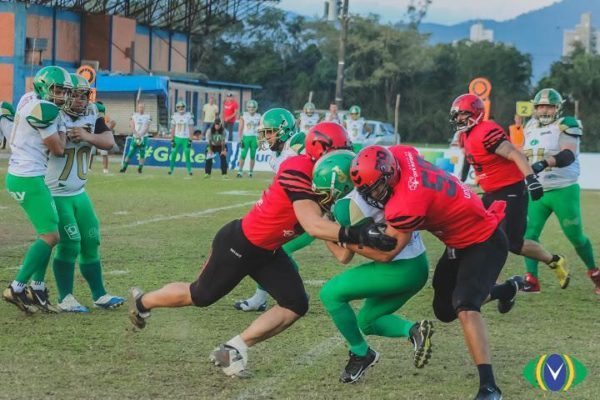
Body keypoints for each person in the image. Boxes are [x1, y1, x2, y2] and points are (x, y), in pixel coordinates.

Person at [127, 124, 397, 378]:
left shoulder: (329, 177)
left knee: (295, 304)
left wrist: (360, 231)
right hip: (239, 244)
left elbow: (341, 255)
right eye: (339, 149)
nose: (345, 156)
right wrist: (356, 233)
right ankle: (143, 302)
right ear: (321, 151)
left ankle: (231, 351)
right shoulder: (297, 169)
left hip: (268, 250)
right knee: (200, 295)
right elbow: (313, 225)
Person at [351, 144, 524, 400]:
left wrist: (345, 237)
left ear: (389, 175)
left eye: (376, 188)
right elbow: (404, 154)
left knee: (464, 305)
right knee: (444, 311)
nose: (373, 197)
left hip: (484, 240)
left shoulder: (407, 201)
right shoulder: (401, 155)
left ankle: (489, 387)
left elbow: (387, 254)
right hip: (458, 240)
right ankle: (506, 289)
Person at [316, 151, 434, 383]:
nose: (323, 196)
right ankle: (414, 331)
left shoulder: (347, 205)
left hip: (399, 268)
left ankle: (360, 353)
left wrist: (322, 229)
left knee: (329, 294)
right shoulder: (372, 189)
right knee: (368, 321)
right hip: (419, 265)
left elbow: (343, 256)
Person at [450, 94, 568, 290]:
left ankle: (554, 260)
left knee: (513, 243)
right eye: (457, 115)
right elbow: (469, 158)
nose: (459, 119)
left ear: (476, 114)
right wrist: (461, 179)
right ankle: (479, 277)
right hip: (491, 193)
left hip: (510, 191)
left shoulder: (486, 131)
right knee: (474, 230)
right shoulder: (465, 134)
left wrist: (531, 180)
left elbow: (514, 153)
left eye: (463, 114)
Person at [46, 74, 125, 312]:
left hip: (79, 191)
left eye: (84, 95)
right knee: (70, 244)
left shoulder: (92, 113)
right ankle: (65, 297)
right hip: (56, 192)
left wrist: (88, 136)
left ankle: (99, 294)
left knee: (91, 240)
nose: (81, 100)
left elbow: (110, 142)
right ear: (65, 93)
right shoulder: (53, 113)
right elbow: (53, 147)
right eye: (76, 95)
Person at [3, 65, 71, 313]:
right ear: (44, 87)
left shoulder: (30, 98)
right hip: (27, 176)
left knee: (49, 233)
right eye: (59, 90)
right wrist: (63, 129)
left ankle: (37, 287)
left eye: (65, 91)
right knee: (50, 236)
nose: (63, 96)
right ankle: (17, 287)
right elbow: (58, 149)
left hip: (27, 174)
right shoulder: (45, 109)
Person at [233, 108, 313, 312]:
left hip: (315, 213)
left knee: (277, 250)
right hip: (297, 214)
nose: (266, 137)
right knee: (272, 249)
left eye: (269, 132)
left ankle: (293, 295)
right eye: (264, 133)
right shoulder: (275, 157)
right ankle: (264, 298)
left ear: (284, 129)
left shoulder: (300, 141)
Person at [522, 88, 599, 294]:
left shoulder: (566, 124)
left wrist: (543, 163)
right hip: (538, 189)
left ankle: (595, 272)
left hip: (563, 189)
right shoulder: (529, 126)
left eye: (549, 106)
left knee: (575, 237)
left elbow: (568, 155)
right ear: (535, 108)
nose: (544, 110)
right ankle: (531, 280)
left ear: (558, 107)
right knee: (528, 234)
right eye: (540, 106)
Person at [120, 102, 151, 174]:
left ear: (144, 108)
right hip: (135, 136)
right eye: (140, 107)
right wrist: (136, 134)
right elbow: (132, 125)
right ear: (138, 108)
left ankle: (140, 169)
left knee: (142, 154)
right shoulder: (134, 115)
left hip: (144, 137)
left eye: (142, 107)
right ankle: (124, 168)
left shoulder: (148, 116)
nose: (141, 109)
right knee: (130, 153)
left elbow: (147, 127)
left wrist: (141, 135)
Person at [168, 100, 195, 176]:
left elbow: (191, 128)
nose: (181, 108)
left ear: (185, 107)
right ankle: (171, 169)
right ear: (177, 108)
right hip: (177, 138)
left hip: (185, 139)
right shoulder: (175, 116)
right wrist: (172, 139)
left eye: (182, 106)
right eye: (179, 107)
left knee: (187, 154)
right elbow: (172, 128)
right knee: (173, 154)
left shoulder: (189, 116)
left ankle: (189, 170)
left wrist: (190, 139)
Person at [236, 99, 261, 178]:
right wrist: (240, 138)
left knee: (252, 156)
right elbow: (240, 127)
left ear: (256, 108)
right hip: (246, 137)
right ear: (247, 107)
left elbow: (261, 129)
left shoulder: (259, 116)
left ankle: (250, 172)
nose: (251, 109)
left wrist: (260, 139)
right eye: (250, 107)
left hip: (255, 138)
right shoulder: (244, 115)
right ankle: (240, 171)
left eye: (253, 107)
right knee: (243, 155)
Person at [95, 101, 117, 174]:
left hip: (102, 136)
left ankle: (105, 169)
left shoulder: (105, 116)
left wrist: (108, 129)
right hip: (93, 135)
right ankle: (88, 168)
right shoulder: (92, 114)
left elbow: (113, 122)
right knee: (90, 152)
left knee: (104, 153)